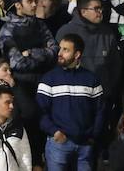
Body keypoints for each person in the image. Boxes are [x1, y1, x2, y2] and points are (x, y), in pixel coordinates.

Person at [35, 34, 104, 171]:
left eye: (66, 50)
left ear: (77, 54)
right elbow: (39, 111)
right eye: (60, 49)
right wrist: (54, 132)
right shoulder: (49, 79)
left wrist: (93, 135)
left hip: (85, 145)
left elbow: (101, 110)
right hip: (58, 144)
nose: (59, 53)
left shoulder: (91, 79)